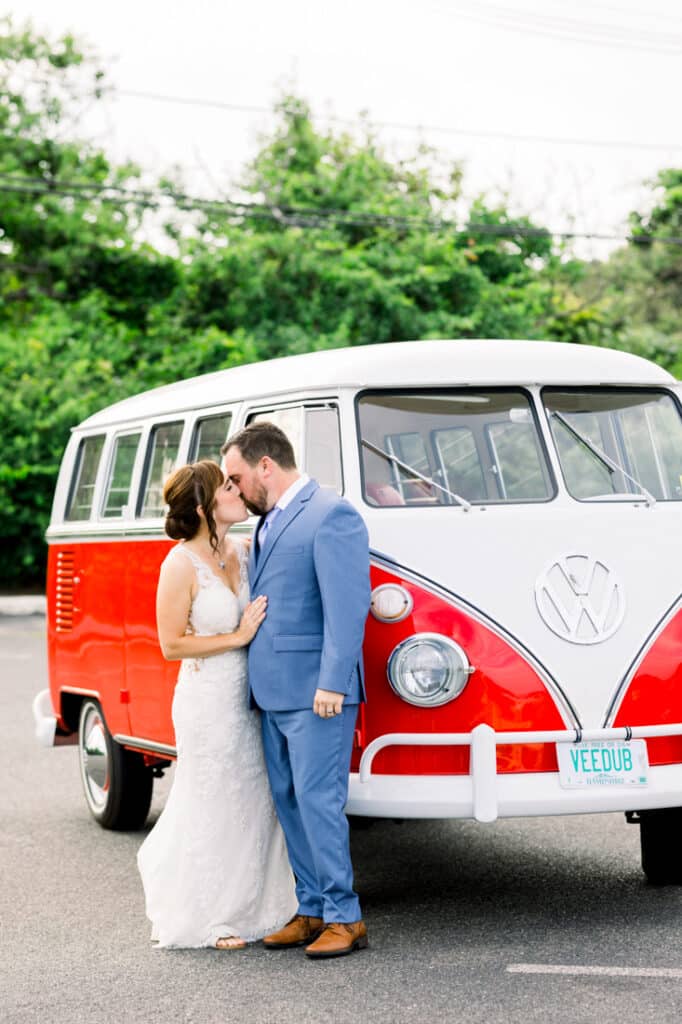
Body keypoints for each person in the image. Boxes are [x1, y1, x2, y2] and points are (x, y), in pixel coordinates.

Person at [222, 422, 371, 959]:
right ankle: (310, 909)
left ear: (267, 465)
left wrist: (334, 680)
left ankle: (345, 917)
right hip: (272, 692)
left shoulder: (331, 514)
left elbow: (348, 606)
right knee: (288, 801)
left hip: (316, 692)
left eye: (238, 477)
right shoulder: (267, 523)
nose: (235, 489)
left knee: (318, 801)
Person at [137, 460, 297, 949]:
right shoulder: (179, 563)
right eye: (228, 486)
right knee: (212, 798)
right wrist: (238, 635)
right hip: (207, 700)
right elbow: (171, 645)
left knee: (254, 799)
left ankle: (263, 907)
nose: (239, 490)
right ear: (205, 505)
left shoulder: (244, 551)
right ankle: (211, 917)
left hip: (250, 699)